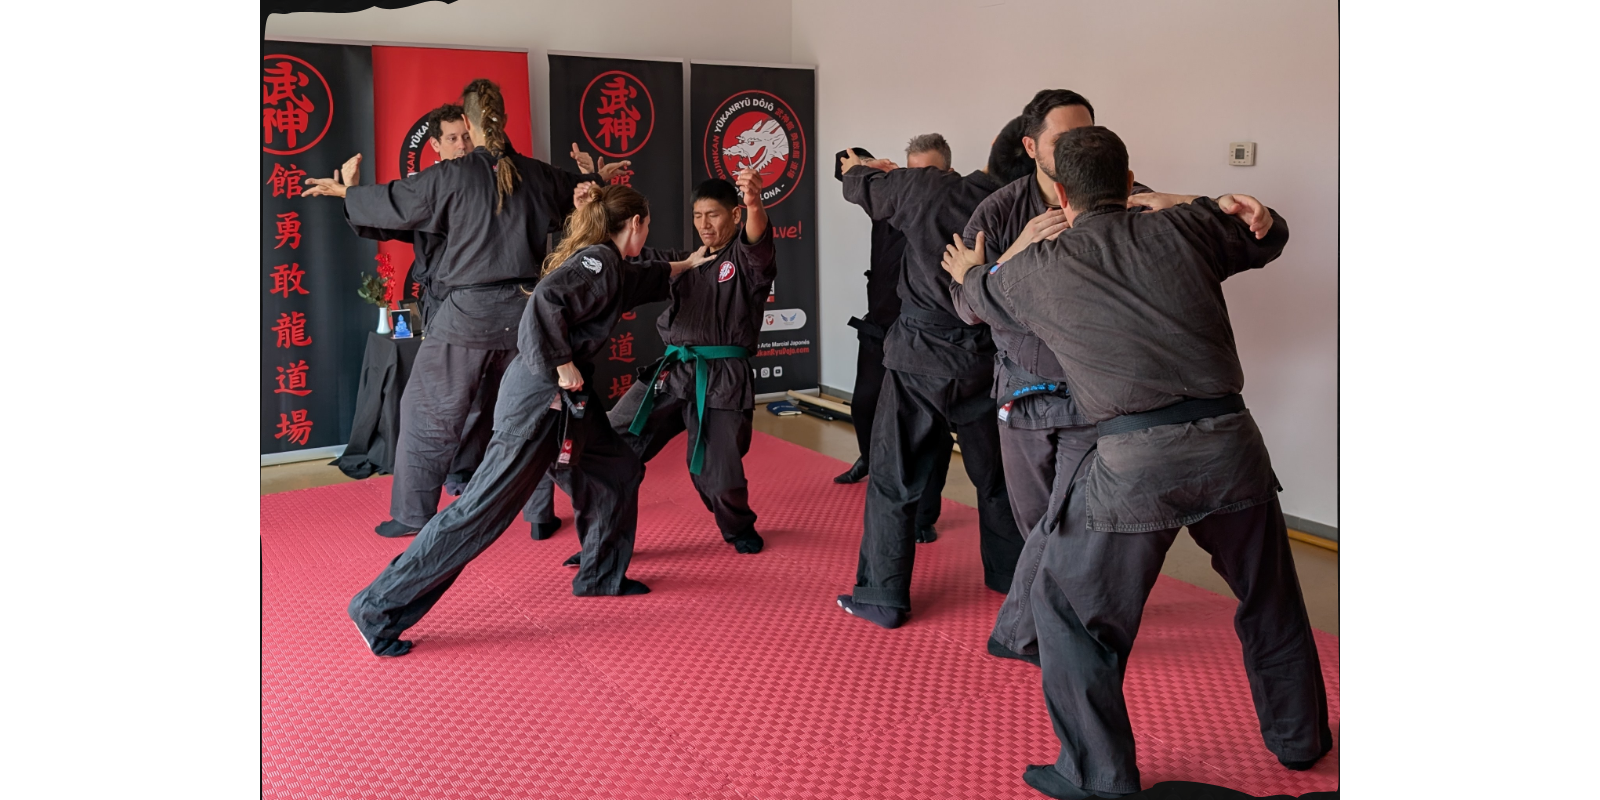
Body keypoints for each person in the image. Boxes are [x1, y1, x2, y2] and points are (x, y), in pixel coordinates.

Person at [942, 126, 1330, 798]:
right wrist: (1207, 200)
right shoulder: (1187, 228)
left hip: (1135, 463)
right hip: (1233, 444)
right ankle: (1300, 739)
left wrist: (971, 270)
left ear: (1058, 192)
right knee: (1270, 599)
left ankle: (1095, 775)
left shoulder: (1040, 266)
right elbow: (1266, 234)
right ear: (1130, 183)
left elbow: (975, 302)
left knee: (1066, 612)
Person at [346, 184, 712, 657]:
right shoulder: (595, 261)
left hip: (568, 402)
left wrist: (688, 264)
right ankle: (377, 607)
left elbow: (647, 275)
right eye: (648, 227)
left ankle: (601, 575)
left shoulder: (610, 265)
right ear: (637, 224)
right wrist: (562, 364)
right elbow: (545, 303)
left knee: (617, 470)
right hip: (540, 401)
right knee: (478, 513)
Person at [305, 79, 619, 541]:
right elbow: (583, 196)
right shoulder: (537, 174)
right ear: (502, 120)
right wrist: (600, 180)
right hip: (529, 316)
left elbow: (391, 203)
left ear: (469, 127)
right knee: (529, 415)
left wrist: (346, 193)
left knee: (428, 413)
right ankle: (539, 514)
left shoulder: (450, 176)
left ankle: (413, 515)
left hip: (468, 316)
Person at [953, 91, 1153, 666]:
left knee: (1066, 522)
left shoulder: (1126, 201)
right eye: (1062, 140)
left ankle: (1023, 633)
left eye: (1085, 135)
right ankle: (1056, 620)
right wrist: (1015, 252)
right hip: (1021, 390)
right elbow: (964, 304)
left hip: (1093, 391)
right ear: (1030, 145)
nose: (1076, 149)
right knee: (1036, 523)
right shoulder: (998, 211)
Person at [832, 121, 1035, 629]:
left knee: (894, 477)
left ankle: (882, 595)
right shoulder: (1033, 209)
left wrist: (860, 167)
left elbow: (856, 183)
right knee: (997, 478)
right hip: (990, 361)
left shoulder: (924, 187)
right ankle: (1008, 575)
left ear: (990, 150)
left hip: (921, 357)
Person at [573, 169, 772, 563]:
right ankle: (602, 544)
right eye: (698, 216)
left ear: (734, 216)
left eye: (713, 215)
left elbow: (758, 238)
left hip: (722, 377)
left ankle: (738, 526)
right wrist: (591, 216)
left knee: (716, 474)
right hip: (673, 370)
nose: (704, 224)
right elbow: (625, 254)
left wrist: (754, 204)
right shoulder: (684, 259)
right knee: (611, 444)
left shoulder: (747, 260)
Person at [832, 136, 959, 545]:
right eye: (911, 173)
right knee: (864, 403)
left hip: (927, 336)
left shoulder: (955, 210)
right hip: (881, 324)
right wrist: (868, 166)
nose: (917, 182)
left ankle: (925, 513)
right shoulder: (889, 200)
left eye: (928, 174)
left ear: (949, 174)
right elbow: (844, 168)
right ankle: (871, 461)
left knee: (930, 429)